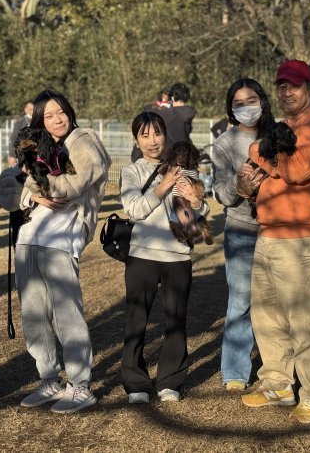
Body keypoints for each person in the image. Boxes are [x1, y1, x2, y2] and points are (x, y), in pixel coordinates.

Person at [236, 59, 310, 424]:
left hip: (302, 237)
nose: (287, 92)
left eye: (295, 85)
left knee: (305, 322)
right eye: (281, 86)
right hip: (269, 232)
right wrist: (247, 184)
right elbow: (264, 175)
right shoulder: (283, 127)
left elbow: (296, 170)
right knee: (267, 318)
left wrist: (257, 152)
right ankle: (277, 383)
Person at [14, 89, 110, 413]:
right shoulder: (36, 145)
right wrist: (31, 193)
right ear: (39, 120)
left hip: (62, 239)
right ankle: (49, 380)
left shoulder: (84, 141)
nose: (58, 119)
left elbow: (72, 186)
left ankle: (81, 385)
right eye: (49, 115)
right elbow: (11, 184)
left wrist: (33, 184)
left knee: (67, 315)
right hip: (29, 237)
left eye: (61, 112)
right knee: (34, 316)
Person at [120, 111, 209, 403]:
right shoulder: (132, 171)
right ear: (136, 140)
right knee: (136, 319)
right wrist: (164, 184)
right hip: (142, 255)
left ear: (165, 135)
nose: (152, 141)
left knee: (175, 320)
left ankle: (170, 380)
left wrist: (196, 201)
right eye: (144, 135)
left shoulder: (185, 168)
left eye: (157, 133)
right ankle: (135, 382)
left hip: (178, 256)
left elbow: (199, 211)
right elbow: (134, 209)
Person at [211, 78, 275, 391]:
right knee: (240, 302)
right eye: (239, 104)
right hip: (241, 231)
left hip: (278, 228)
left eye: (252, 100)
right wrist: (239, 186)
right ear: (231, 109)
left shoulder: (277, 135)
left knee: (278, 303)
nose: (247, 108)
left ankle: (279, 369)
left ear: (262, 101)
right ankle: (235, 370)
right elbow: (221, 195)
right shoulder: (224, 143)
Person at [7, 100, 34, 166]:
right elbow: (13, 139)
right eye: (30, 109)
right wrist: (12, 155)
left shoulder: (39, 121)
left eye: (33, 109)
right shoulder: (20, 122)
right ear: (25, 109)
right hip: (23, 154)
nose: (32, 111)